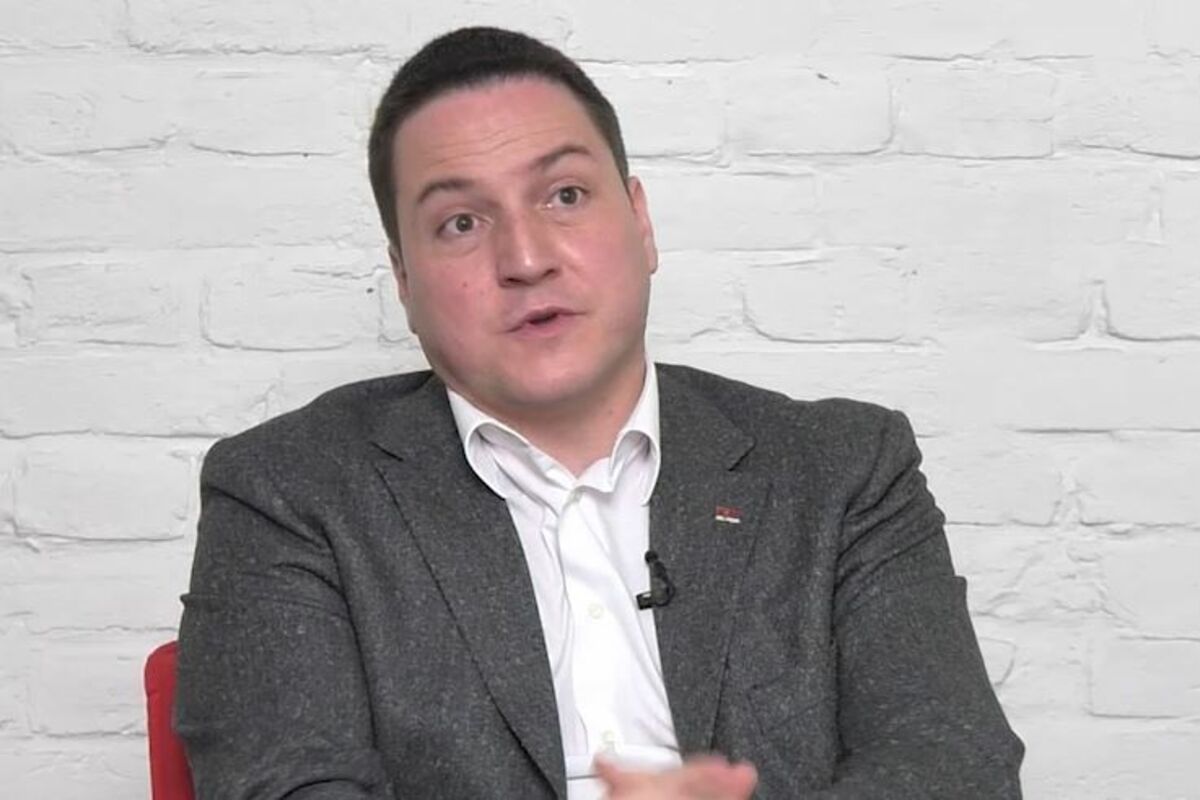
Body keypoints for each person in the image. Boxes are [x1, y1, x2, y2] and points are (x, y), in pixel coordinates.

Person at [175, 26, 1024, 800]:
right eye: (461, 222)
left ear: (641, 222)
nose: (525, 258)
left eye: (565, 195)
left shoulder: (844, 468)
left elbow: (955, 767)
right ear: (403, 279)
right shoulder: (287, 492)